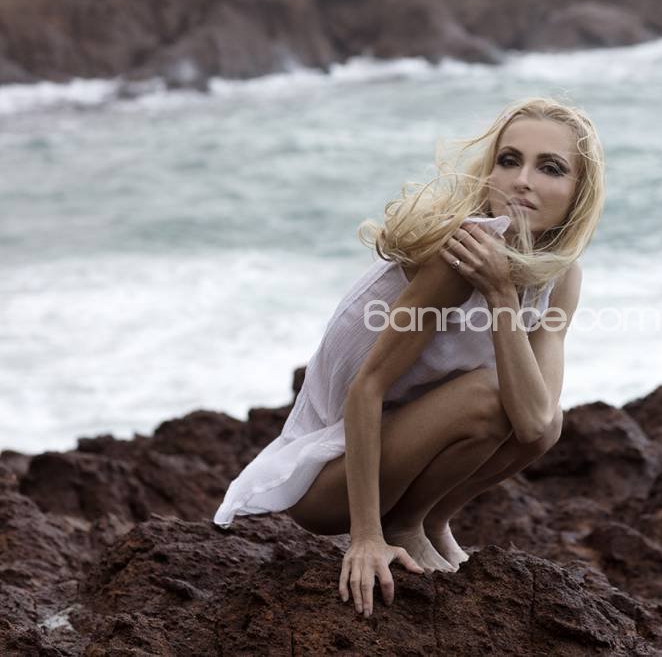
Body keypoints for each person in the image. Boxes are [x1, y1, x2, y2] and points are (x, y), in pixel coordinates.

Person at [212, 96, 605, 618]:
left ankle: (430, 521)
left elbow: (536, 423)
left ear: (580, 192)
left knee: (547, 421)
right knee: (490, 396)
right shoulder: (459, 254)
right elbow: (366, 388)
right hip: (328, 478)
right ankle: (400, 527)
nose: (522, 181)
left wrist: (502, 295)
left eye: (550, 168)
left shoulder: (562, 277)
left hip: (396, 457)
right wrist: (364, 538)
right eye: (509, 160)